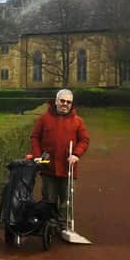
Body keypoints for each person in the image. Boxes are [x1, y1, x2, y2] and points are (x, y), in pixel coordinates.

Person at [30, 89, 90, 228]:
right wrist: (38, 156)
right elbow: (35, 137)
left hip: (67, 167)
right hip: (48, 165)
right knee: (49, 198)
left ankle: (63, 224)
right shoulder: (44, 118)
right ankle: (50, 223)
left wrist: (76, 154)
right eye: (62, 101)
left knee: (66, 199)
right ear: (56, 101)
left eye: (68, 102)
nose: (65, 104)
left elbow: (84, 140)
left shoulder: (78, 121)